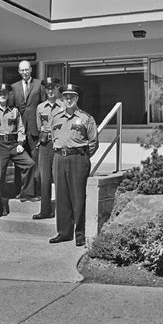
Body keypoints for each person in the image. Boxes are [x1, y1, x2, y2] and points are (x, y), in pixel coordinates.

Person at [49, 84, 99, 247]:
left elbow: (93, 142)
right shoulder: (55, 117)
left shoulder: (86, 118)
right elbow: (52, 138)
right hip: (59, 158)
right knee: (61, 196)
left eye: (72, 96)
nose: (68, 99)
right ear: (62, 99)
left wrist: (81, 157)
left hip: (78, 158)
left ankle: (80, 234)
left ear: (77, 98)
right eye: (65, 97)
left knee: (78, 197)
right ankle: (64, 232)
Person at [0, 83, 38, 216]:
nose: (2, 96)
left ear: (8, 95)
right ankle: (1, 205)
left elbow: (20, 128)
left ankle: (26, 194)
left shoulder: (14, 111)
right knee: (0, 176)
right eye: (0, 94)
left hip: (13, 144)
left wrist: (20, 142)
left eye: (5, 94)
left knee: (29, 164)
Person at [9, 60, 46, 199]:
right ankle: (21, 191)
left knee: (35, 161)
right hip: (20, 130)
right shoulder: (14, 87)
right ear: (19, 71)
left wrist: (43, 128)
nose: (25, 72)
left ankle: (36, 192)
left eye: (27, 70)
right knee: (20, 161)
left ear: (31, 69)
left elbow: (43, 107)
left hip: (35, 129)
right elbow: (12, 109)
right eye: (22, 70)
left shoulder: (39, 84)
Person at [32, 77, 64, 220]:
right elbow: (39, 127)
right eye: (48, 88)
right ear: (45, 90)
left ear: (58, 88)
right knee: (44, 178)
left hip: (59, 144)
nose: (51, 91)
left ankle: (62, 211)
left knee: (59, 178)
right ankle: (45, 211)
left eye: (53, 88)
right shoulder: (40, 107)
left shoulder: (64, 105)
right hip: (45, 145)